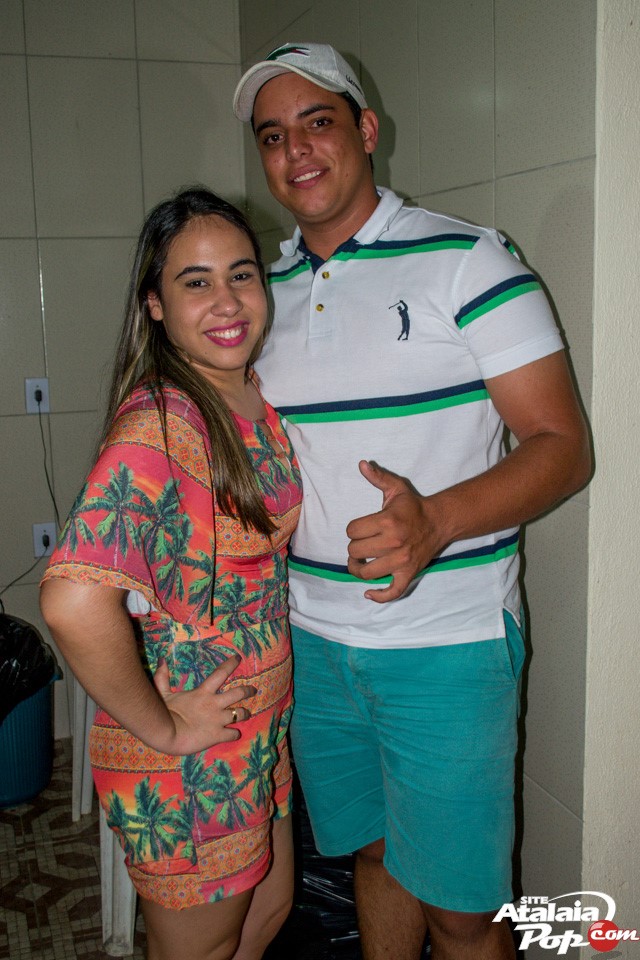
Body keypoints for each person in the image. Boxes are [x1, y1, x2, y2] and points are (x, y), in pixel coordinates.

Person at [233, 43, 591, 960]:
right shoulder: (261, 296)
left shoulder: (468, 260)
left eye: (317, 122)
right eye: (272, 135)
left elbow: (562, 447)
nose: (296, 150)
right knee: (375, 857)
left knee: (465, 915)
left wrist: (435, 521)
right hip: (313, 644)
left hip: (447, 645)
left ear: (365, 129)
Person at [40, 188, 302, 960]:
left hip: (252, 734)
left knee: (265, 917)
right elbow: (72, 601)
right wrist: (162, 724)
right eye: (196, 282)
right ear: (154, 305)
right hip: (187, 757)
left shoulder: (244, 394)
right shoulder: (162, 424)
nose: (227, 300)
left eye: (242, 274)